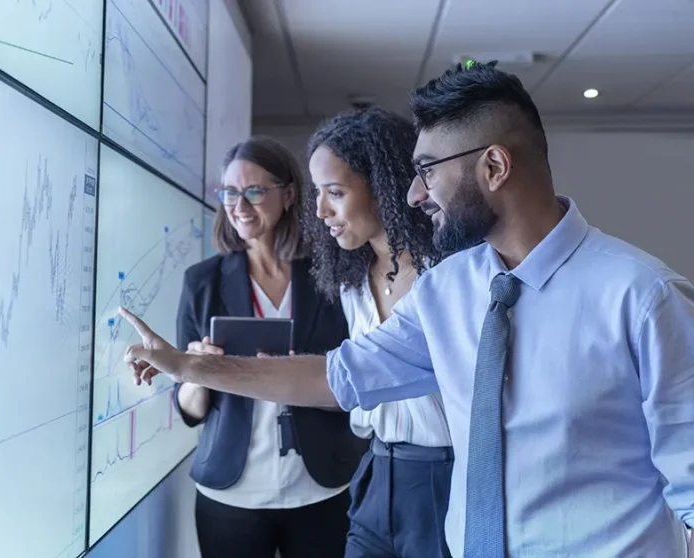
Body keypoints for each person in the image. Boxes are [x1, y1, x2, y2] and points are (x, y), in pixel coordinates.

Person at [119, 61, 694, 557]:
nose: (415, 195)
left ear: (494, 167)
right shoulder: (452, 290)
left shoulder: (643, 298)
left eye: (426, 171)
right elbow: (338, 375)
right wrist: (192, 367)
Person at [173, 136, 365, 558]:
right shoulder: (201, 283)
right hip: (232, 493)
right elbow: (188, 410)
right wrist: (198, 371)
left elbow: (356, 383)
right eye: (229, 192)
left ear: (289, 194)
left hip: (320, 486)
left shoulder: (330, 277)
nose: (239, 205)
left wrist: (307, 375)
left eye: (255, 191)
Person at [303, 107, 455, 557]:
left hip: (445, 476)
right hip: (377, 469)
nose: (320, 210)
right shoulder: (353, 280)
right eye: (317, 193)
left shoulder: (446, 272)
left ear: (383, 185)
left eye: (335, 192)